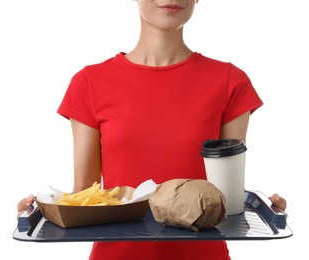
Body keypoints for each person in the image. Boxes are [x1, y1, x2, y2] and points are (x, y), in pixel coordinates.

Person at [17, 1, 287, 259]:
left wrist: (266, 211)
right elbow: (85, 196)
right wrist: (37, 213)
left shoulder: (230, 82)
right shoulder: (89, 83)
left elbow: (227, 196)